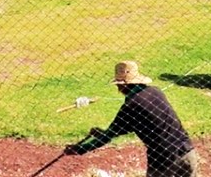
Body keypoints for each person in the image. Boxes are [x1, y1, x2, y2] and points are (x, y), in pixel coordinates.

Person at [65, 61, 199, 177]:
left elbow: (108, 137)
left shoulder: (130, 106)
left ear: (124, 85)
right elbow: (137, 124)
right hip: (188, 152)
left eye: (118, 84)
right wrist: (102, 133)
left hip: (163, 161)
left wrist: (79, 149)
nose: (117, 88)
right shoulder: (156, 91)